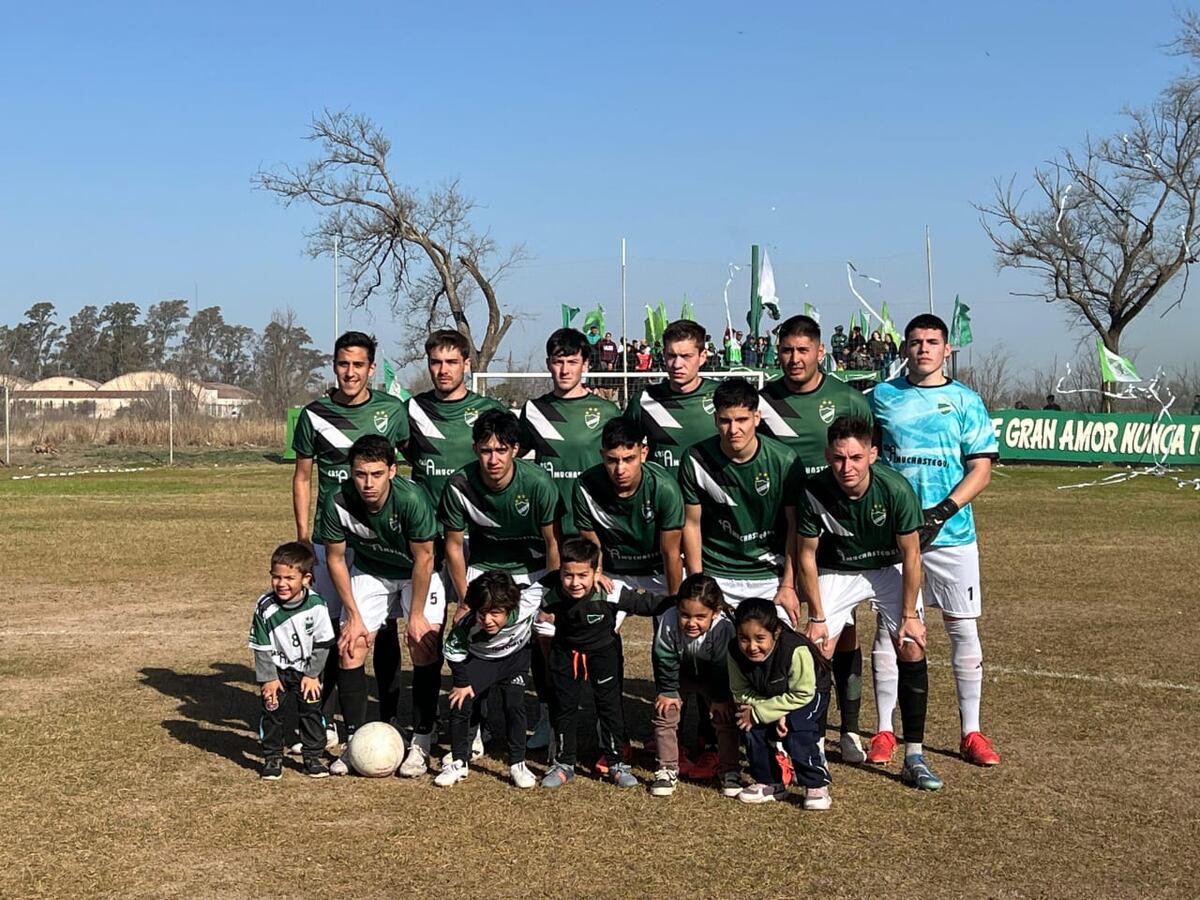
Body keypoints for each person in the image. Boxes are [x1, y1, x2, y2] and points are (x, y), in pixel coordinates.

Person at [869, 313, 1002, 768]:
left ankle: (971, 732)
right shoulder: (881, 397)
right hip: (895, 534)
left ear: (947, 349)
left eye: (931, 342)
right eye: (915, 342)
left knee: (962, 627)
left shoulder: (966, 400)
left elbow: (981, 469)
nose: (923, 349)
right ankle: (884, 730)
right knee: (890, 630)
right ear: (904, 348)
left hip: (952, 535)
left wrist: (942, 512)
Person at [795, 415, 942, 790]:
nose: (847, 467)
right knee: (818, 647)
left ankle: (914, 756)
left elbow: (912, 555)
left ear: (872, 454)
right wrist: (817, 615)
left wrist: (909, 615)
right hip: (837, 569)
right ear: (828, 455)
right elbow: (806, 555)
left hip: (886, 568)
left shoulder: (895, 488)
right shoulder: (814, 490)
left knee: (911, 645)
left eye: (856, 458)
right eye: (839, 458)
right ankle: (812, 749)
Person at [756, 314, 873, 764]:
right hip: (784, 528)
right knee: (787, 626)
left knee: (843, 630)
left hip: (838, 532)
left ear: (820, 352)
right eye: (786, 350)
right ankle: (796, 725)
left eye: (803, 350)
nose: (794, 358)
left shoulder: (848, 399)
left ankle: (849, 728)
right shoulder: (764, 401)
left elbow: (866, 460)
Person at [291, 331, 409, 747]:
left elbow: (406, 467)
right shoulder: (314, 415)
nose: (350, 372)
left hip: (380, 538)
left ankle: (389, 719)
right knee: (330, 629)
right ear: (334, 366)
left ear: (371, 369)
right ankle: (324, 720)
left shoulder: (392, 411)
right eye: (343, 363)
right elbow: (302, 477)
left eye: (359, 364)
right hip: (331, 538)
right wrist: (304, 537)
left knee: (385, 629)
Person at [318, 435, 441, 777]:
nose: (368, 483)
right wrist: (354, 617)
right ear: (351, 472)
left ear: (392, 470)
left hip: (416, 572)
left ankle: (421, 741)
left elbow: (425, 558)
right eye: (360, 474)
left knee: (422, 642)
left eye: (376, 474)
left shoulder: (412, 499)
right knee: (350, 645)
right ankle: (354, 742)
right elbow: (336, 559)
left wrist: (416, 615)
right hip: (371, 571)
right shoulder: (337, 500)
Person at [440, 409, 561, 749]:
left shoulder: (538, 483)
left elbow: (553, 543)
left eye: (501, 450)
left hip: (533, 570)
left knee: (545, 637)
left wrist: (550, 601)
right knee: (471, 633)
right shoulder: (459, 484)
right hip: (485, 569)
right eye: (485, 450)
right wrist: (465, 599)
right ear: (475, 449)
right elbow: (453, 547)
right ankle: (477, 724)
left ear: (515, 450)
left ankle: (547, 717)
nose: (493, 459)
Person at [537, 537, 671, 789]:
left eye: (582, 575)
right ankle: (564, 763)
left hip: (604, 655)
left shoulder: (611, 590)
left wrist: (682, 599)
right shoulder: (549, 588)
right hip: (565, 654)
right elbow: (521, 603)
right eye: (568, 575)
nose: (575, 582)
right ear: (560, 571)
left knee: (609, 708)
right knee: (564, 707)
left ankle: (616, 762)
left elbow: (648, 605)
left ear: (597, 571)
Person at [679, 377, 803, 624]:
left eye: (742, 420)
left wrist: (789, 585)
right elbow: (691, 524)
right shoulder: (695, 459)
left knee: (776, 645)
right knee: (700, 643)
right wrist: (699, 583)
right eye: (725, 421)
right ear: (715, 419)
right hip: (717, 573)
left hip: (770, 575)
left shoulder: (785, 461)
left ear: (757, 418)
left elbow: (795, 527)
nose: (733, 429)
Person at [436, 571, 542, 788]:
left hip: (515, 661)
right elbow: (453, 652)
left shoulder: (528, 601)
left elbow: (554, 579)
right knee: (460, 703)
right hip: (481, 661)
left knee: (514, 704)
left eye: (495, 613)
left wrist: (596, 573)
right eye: (482, 613)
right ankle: (459, 762)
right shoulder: (467, 626)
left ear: (510, 607)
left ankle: (518, 764)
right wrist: (461, 683)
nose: (487, 620)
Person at [728, 599, 832, 809]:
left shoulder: (795, 650)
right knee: (748, 723)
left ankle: (816, 784)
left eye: (760, 638)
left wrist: (772, 712)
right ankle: (770, 782)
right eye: (744, 638)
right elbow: (740, 692)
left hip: (810, 693)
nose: (751, 646)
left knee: (797, 727)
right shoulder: (734, 651)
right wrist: (768, 712)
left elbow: (803, 693)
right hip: (770, 697)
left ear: (775, 632)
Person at [518, 328, 620, 537]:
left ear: (585, 364)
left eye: (573, 362)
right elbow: (511, 459)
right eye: (559, 362)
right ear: (548, 364)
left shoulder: (608, 411)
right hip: (548, 527)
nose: (565, 370)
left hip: (595, 526)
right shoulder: (533, 410)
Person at [249, 542, 336, 780]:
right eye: (276, 577)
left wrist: (312, 675)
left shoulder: (316, 605)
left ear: (306, 578)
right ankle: (272, 757)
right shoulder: (265, 606)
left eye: (289, 578)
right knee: (272, 713)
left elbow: (323, 644)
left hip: (307, 671)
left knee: (311, 712)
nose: (281, 583)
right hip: (276, 671)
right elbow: (261, 646)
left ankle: (312, 757)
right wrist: (268, 678)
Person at [648, 574, 740, 798]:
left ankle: (729, 770)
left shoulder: (724, 627)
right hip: (680, 673)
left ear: (715, 612)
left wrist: (720, 698)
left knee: (724, 716)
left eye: (700, 617)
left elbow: (722, 665)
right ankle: (667, 769)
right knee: (665, 711)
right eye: (685, 615)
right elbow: (663, 655)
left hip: (713, 676)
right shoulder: (668, 619)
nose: (691, 623)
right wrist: (668, 690)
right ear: (677, 609)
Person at [625, 319, 720, 471]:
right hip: (662, 487)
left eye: (686, 356)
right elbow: (621, 451)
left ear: (702, 357)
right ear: (663, 355)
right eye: (671, 356)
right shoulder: (644, 400)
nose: (677, 364)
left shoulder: (722, 396)